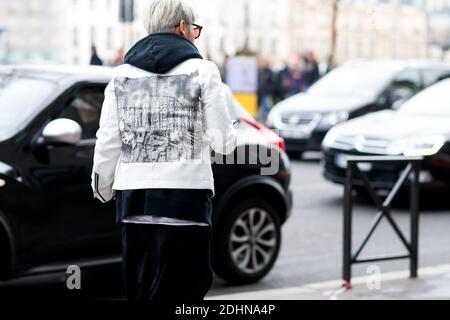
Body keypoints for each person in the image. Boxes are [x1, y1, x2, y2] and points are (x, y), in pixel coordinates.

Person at [91, 0, 237, 301]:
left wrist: (103, 188)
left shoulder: (121, 76)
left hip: (134, 202)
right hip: (186, 202)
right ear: (182, 27)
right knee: (185, 293)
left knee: (140, 289)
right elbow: (224, 143)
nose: (195, 35)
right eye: (194, 29)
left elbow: (107, 141)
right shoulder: (203, 71)